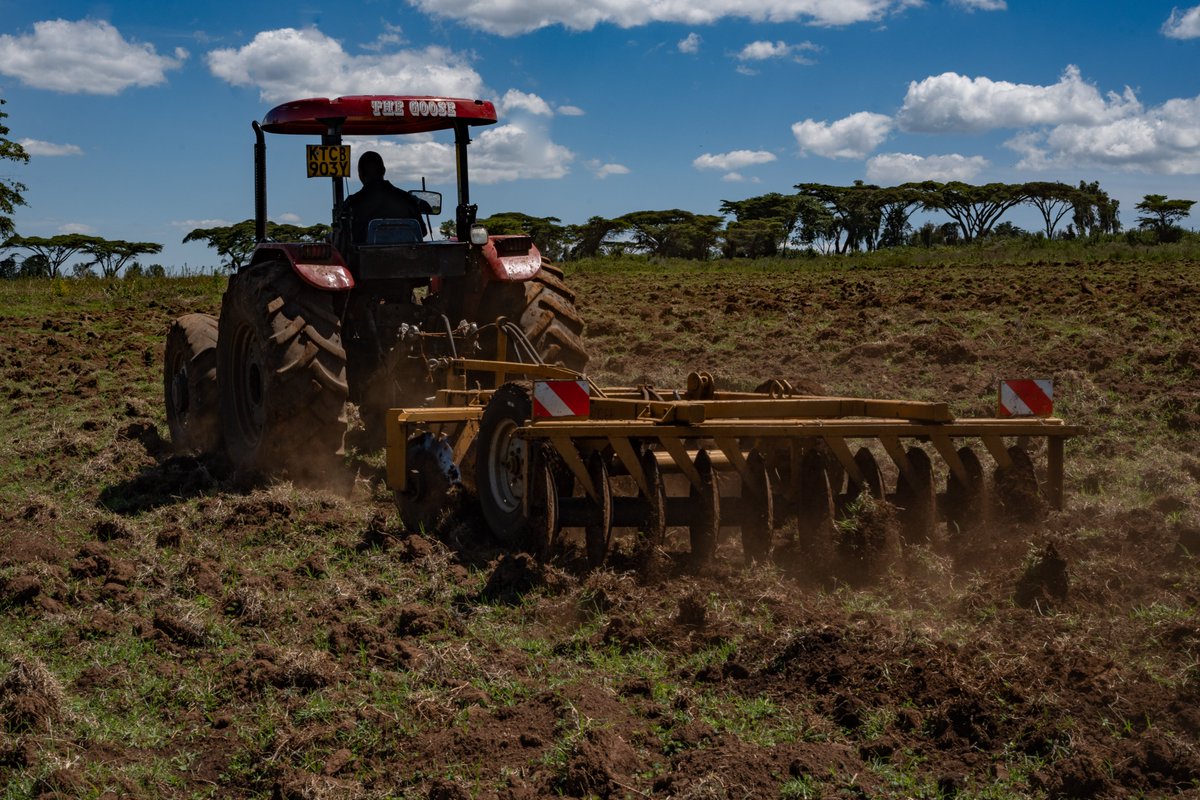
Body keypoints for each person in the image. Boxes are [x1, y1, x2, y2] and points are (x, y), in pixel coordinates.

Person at [345, 151, 429, 244]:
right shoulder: (407, 199)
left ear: (360, 174)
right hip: (405, 257)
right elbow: (422, 232)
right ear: (384, 170)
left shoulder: (352, 204)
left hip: (365, 258)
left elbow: (346, 238)